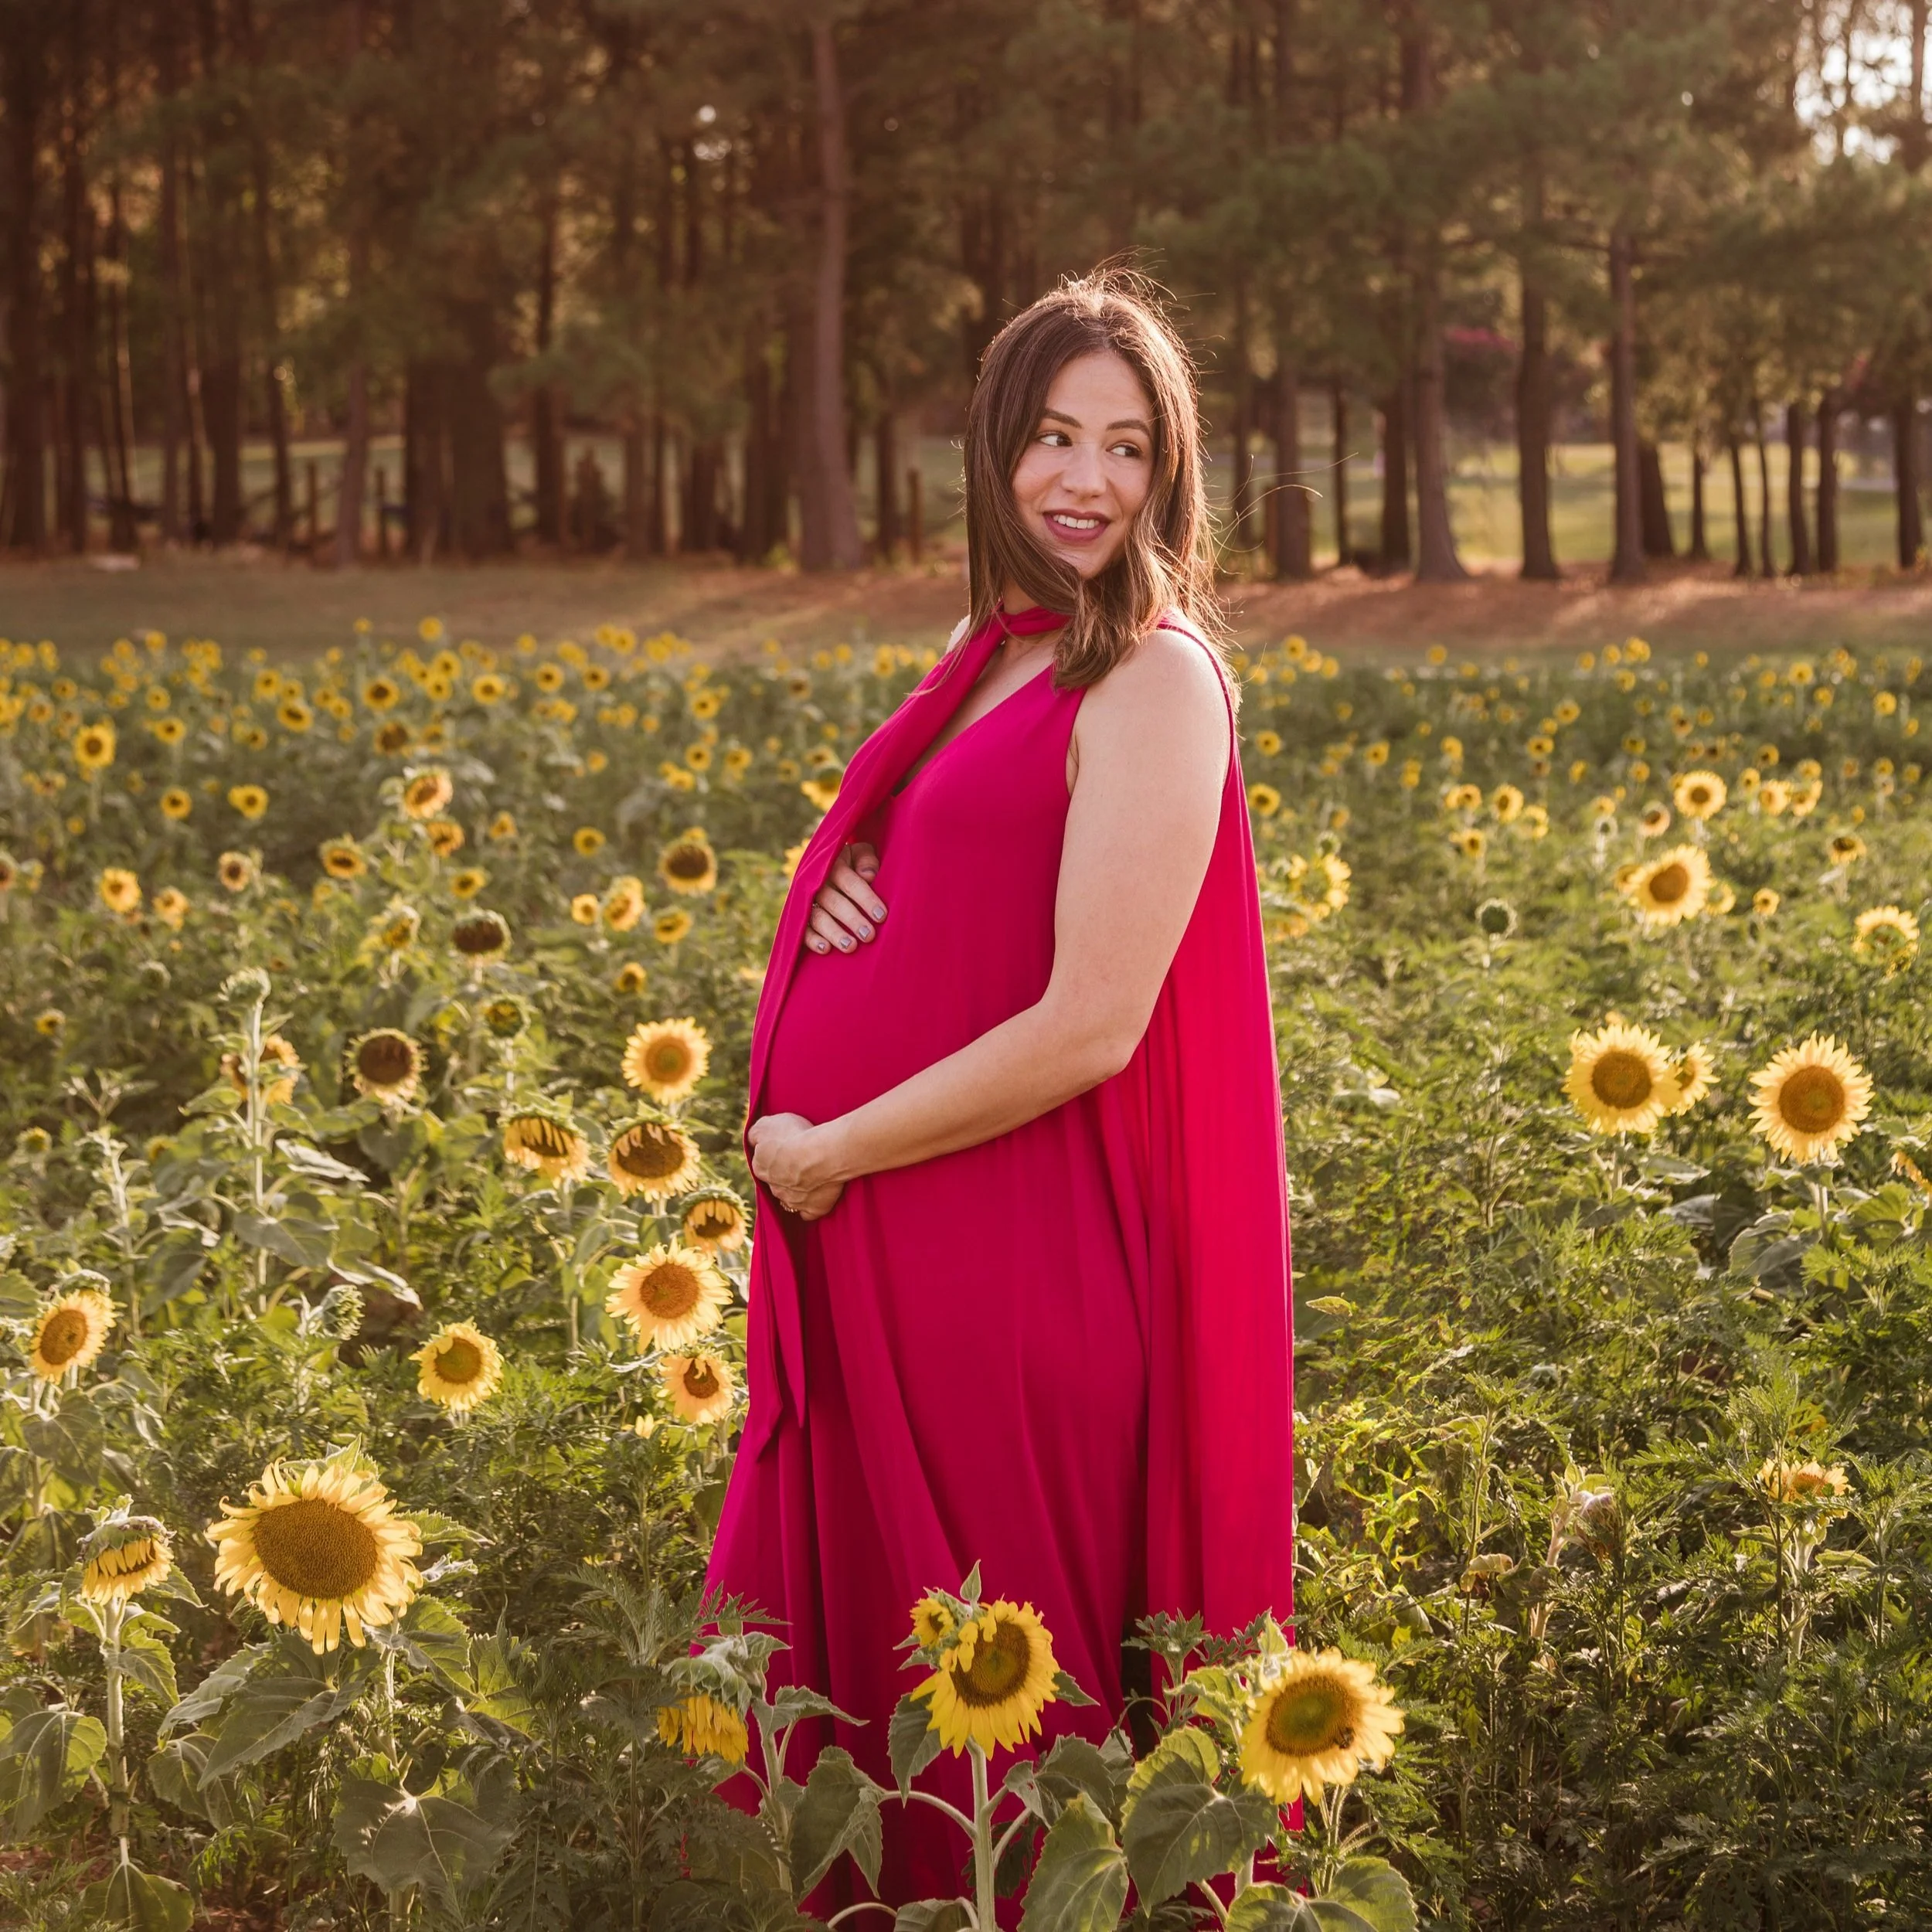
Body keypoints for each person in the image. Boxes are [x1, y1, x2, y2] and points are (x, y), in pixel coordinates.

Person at [706, 268, 1295, 1904]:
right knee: (897, 1724)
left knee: (997, 1744)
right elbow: (967, 870)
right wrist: (841, 876)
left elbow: (1090, 1022)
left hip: (1009, 1274)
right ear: (991, 448)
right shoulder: (992, 648)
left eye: (1123, 444)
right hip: (901, 1253)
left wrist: (829, 1142)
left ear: (1167, 471)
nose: (1084, 480)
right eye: (1051, 435)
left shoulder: (1153, 678)